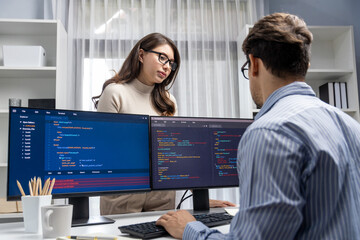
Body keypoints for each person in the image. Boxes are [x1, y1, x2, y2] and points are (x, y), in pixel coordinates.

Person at [156, 13, 360, 239]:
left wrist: (190, 229)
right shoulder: (351, 126)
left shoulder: (270, 132)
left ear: (254, 64)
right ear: (305, 66)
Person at [93, 32, 235, 215]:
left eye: (171, 63)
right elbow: (104, 152)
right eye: (162, 58)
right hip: (123, 196)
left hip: (162, 196)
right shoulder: (115, 93)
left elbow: (176, 155)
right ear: (141, 55)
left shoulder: (168, 101)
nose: (167, 66)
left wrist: (200, 196)